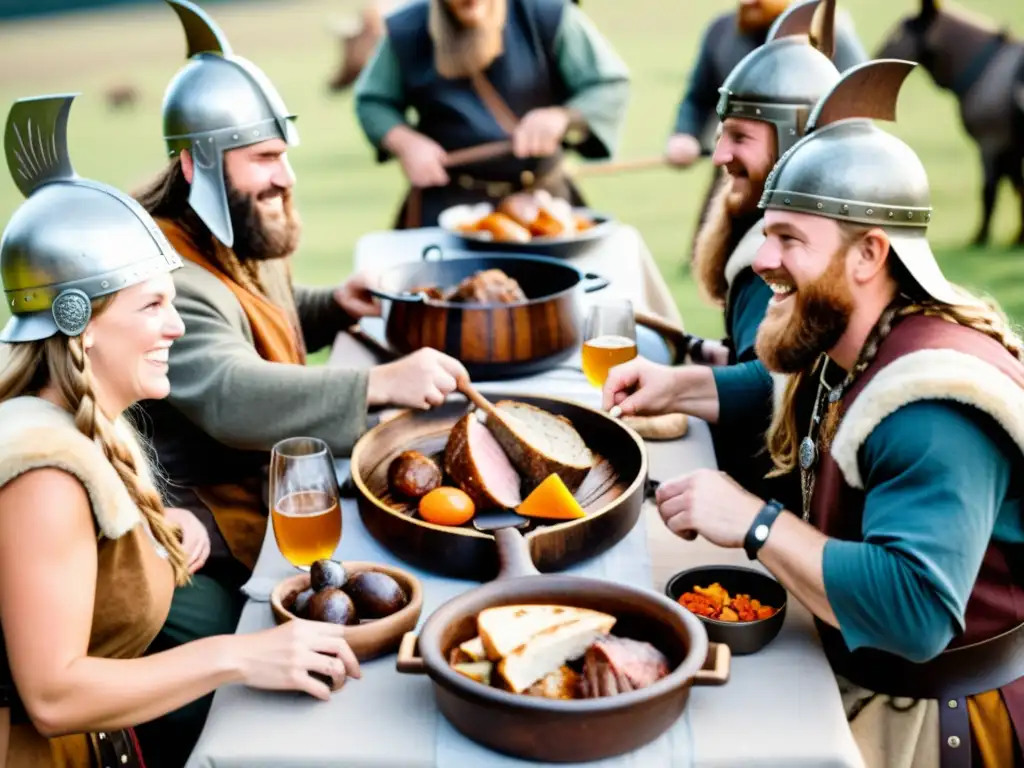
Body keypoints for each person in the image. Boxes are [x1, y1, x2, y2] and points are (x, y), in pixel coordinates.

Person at [606, 59, 1024, 765]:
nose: (763, 258)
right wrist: (679, 386)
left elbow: (917, 612)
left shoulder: (934, 406)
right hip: (857, 667)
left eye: (790, 239)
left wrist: (755, 523)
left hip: (931, 720)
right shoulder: (861, 338)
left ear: (869, 253)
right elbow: (796, 394)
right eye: (768, 233)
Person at [130, 1, 466, 762]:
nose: (285, 176)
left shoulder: (236, 230)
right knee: (245, 698)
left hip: (266, 500)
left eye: (284, 153)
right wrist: (376, 384)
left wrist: (326, 307)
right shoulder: (168, 275)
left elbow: (259, 317)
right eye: (263, 159)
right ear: (197, 167)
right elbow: (224, 387)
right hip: (197, 534)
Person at [0, 93, 360, 768]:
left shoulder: (82, 421)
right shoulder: (43, 472)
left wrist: (155, 523)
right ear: (82, 320)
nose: (176, 326)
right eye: (153, 306)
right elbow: (52, 696)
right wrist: (239, 656)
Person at [681, 0, 845, 506]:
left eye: (740, 137)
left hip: (771, 515)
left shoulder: (771, 263)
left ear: (794, 142)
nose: (720, 155)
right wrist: (716, 355)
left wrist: (674, 384)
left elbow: (770, 387)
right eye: (721, 133)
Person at [352, 0, 630, 228]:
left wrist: (562, 116)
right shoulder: (406, 29)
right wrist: (405, 142)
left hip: (545, 207)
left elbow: (607, 84)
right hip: (448, 208)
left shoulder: (550, 14)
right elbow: (373, 100)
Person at [665, 0, 867, 265]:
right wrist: (685, 134)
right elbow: (698, 96)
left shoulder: (827, 32)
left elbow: (857, 101)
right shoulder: (721, 31)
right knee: (717, 265)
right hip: (737, 169)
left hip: (809, 180)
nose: (748, 2)